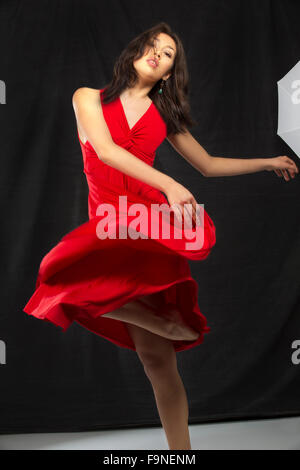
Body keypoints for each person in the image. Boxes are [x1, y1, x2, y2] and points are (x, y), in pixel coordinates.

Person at [23, 22, 299, 450]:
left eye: (167, 53)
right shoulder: (88, 98)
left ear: (169, 73)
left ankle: (180, 455)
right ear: (134, 53)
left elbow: (207, 164)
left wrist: (266, 161)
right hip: (113, 223)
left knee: (158, 362)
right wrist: (169, 184)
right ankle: (159, 320)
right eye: (152, 46)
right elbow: (106, 151)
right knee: (57, 283)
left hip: (151, 226)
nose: (157, 53)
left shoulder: (164, 116)